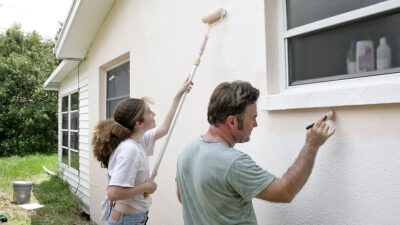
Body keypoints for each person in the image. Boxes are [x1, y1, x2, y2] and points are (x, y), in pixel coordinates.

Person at [175, 81, 335, 225]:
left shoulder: (186, 154)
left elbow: (184, 197)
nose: (256, 124)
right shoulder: (233, 163)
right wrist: (311, 146)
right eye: (252, 118)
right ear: (232, 121)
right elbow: (285, 192)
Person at [92, 78, 193, 225]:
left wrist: (178, 96)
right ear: (138, 124)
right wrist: (146, 187)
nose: (154, 114)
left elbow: (165, 128)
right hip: (127, 221)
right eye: (149, 112)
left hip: (131, 218)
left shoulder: (139, 140)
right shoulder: (130, 150)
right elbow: (113, 193)